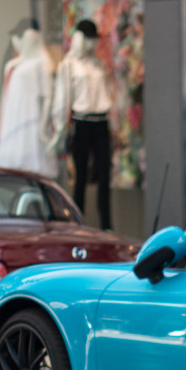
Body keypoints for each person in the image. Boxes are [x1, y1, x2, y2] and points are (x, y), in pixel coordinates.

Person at [49, 20, 113, 229]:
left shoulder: (98, 64)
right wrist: (60, 130)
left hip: (100, 122)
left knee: (104, 176)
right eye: (89, 39)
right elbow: (63, 99)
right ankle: (78, 224)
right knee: (81, 177)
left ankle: (106, 224)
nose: (93, 44)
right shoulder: (69, 65)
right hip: (81, 122)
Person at [0, 29, 57, 177]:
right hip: (16, 119)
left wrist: (43, 128)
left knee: (33, 166)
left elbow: (47, 96)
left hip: (32, 118)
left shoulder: (41, 63)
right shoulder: (15, 65)